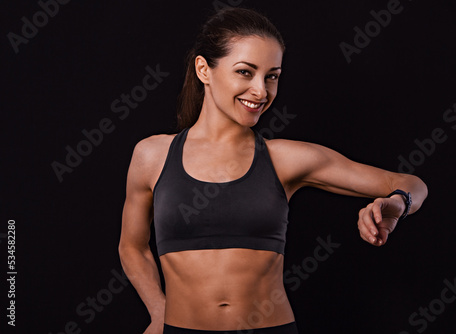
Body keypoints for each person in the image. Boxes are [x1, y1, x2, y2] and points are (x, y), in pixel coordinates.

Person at [118, 7, 428, 334]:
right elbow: (132, 246)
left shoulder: (285, 159)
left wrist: (396, 205)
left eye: (272, 76)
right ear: (204, 70)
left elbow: (410, 183)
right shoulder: (152, 155)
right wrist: (157, 312)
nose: (261, 91)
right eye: (245, 72)